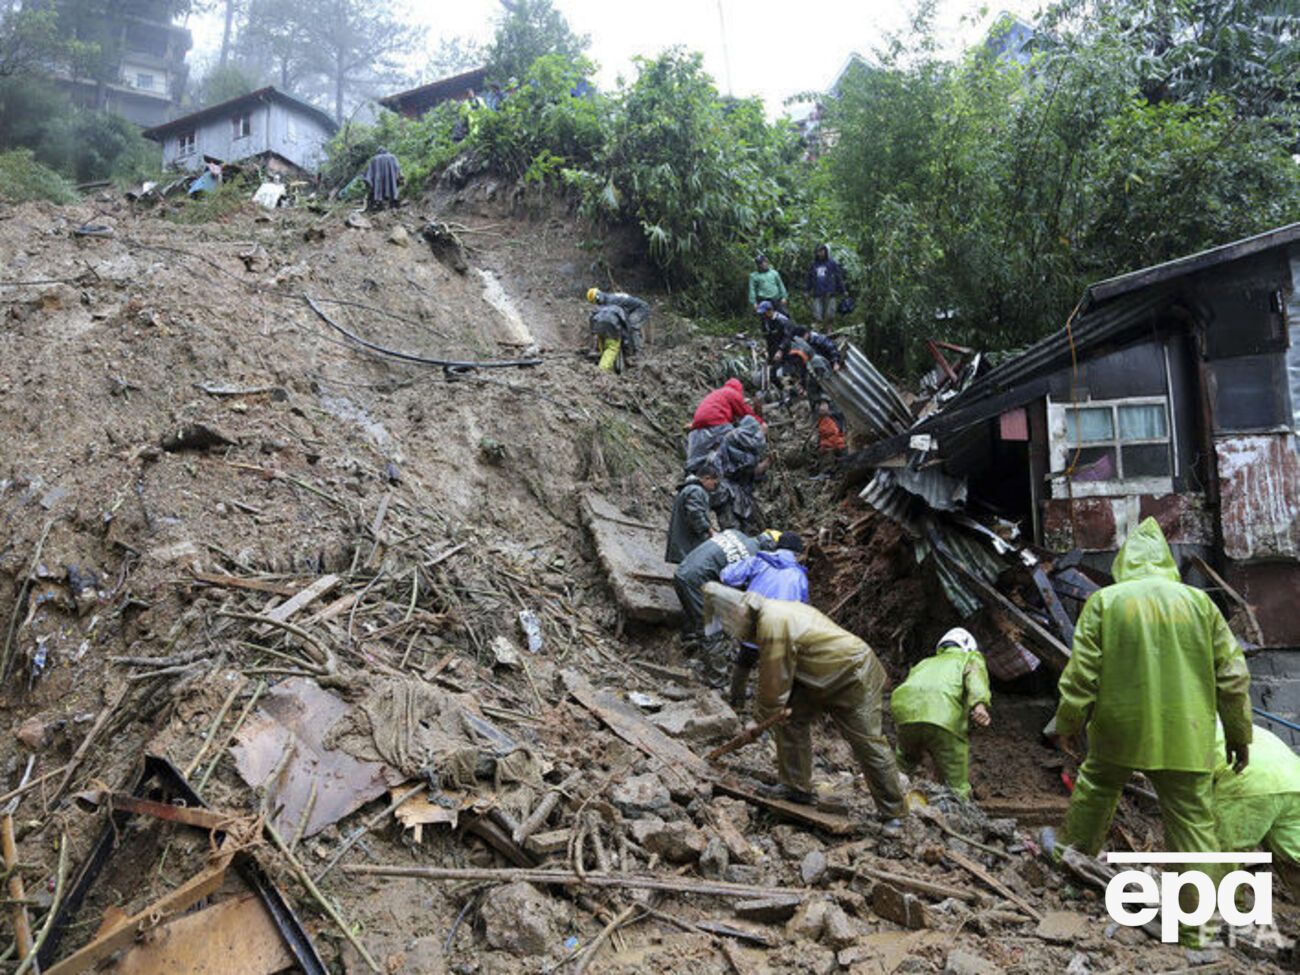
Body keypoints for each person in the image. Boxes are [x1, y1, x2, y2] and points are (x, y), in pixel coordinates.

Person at [1047, 517, 1252, 946]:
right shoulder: (1200, 604)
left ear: (1124, 562)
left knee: (1097, 788)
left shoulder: (1105, 602)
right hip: (1187, 733)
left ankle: (1068, 863)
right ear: (1166, 562)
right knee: (1194, 826)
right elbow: (1232, 677)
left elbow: (1082, 673)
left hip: (1118, 729)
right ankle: (1197, 932)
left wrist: (1067, 723)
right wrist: (1238, 735)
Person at [703, 582, 906, 831]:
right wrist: (769, 714)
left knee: (867, 742)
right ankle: (796, 786)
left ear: (740, 610)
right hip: (817, 674)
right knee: (790, 719)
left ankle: (892, 811)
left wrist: (759, 719)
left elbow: (774, 680)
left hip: (853, 674)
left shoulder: (773, 623)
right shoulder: (772, 613)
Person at [889, 628, 991, 801]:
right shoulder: (969, 658)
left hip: (906, 717)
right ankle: (960, 814)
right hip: (944, 718)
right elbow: (975, 679)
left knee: (904, 764)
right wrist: (979, 705)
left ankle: (891, 802)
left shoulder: (925, 663)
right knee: (956, 781)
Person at [673, 530, 774, 684]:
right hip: (695, 581)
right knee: (713, 630)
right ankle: (717, 680)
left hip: (684, 570)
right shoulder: (753, 557)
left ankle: (690, 648)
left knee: (698, 617)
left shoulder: (736, 533)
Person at [720, 532, 809, 707]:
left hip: (753, 619)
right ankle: (764, 715)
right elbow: (803, 608)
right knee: (771, 671)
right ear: (797, 554)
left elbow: (727, 576)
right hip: (779, 627)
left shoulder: (759, 561)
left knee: (744, 660)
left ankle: (736, 702)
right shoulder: (799, 576)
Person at [1213, 721, 1300, 898]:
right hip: (1294, 779)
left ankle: (1225, 910)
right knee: (1294, 857)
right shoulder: (1232, 722)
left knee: (1223, 855)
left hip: (1248, 779)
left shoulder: (1186, 726)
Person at [687, 379, 762, 470]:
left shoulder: (716, 394)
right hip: (717, 421)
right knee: (732, 442)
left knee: (701, 456)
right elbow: (745, 412)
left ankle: (696, 471)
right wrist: (760, 422)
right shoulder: (732, 392)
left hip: (698, 425)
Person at [712, 415, 768, 534]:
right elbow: (754, 448)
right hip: (727, 492)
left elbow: (747, 471)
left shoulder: (739, 447)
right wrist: (762, 433)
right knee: (732, 530)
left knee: (747, 527)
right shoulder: (736, 436)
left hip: (738, 492)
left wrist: (764, 465)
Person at [665, 461, 720, 564]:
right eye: (714, 483)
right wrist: (709, 530)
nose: (715, 487)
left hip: (684, 539)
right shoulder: (696, 491)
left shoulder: (689, 489)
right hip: (688, 541)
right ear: (706, 478)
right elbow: (695, 514)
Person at [586, 288, 650, 373]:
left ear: (599, 295)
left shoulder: (612, 301)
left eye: (597, 301)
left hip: (640, 309)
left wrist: (626, 341)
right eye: (595, 302)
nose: (597, 303)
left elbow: (623, 319)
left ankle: (637, 353)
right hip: (629, 310)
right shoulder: (607, 301)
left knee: (631, 326)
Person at [805, 244, 846, 323]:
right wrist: (807, 291)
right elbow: (809, 278)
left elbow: (838, 277)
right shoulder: (813, 264)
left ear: (825, 252)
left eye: (822, 251)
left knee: (830, 315)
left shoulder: (832, 263)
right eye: (818, 251)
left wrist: (843, 290)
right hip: (817, 293)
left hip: (829, 293)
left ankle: (829, 332)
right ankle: (819, 332)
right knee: (817, 315)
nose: (820, 253)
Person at [748, 254, 788, 325]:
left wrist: (784, 297)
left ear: (767, 262)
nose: (762, 264)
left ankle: (786, 332)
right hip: (763, 300)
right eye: (759, 263)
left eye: (763, 262)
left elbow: (780, 285)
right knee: (766, 320)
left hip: (776, 300)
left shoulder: (774, 273)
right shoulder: (754, 276)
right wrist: (753, 302)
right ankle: (768, 333)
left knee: (783, 316)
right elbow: (752, 290)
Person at [757, 301, 796, 365]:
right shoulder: (765, 321)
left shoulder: (782, 320)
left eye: (764, 313)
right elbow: (766, 335)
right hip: (773, 348)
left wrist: (780, 351)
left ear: (770, 310)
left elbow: (787, 337)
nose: (763, 315)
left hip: (786, 348)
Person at [815, 398, 846, 465]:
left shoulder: (830, 421)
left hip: (836, 448)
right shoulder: (825, 421)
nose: (820, 407)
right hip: (835, 448)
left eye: (822, 404)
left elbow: (834, 437)